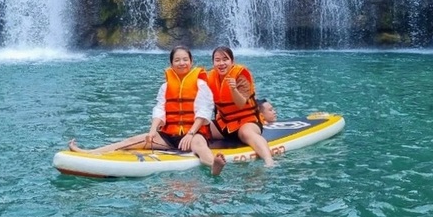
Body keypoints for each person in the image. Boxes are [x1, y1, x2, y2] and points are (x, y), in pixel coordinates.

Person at [69, 46, 226, 175]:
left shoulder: (201, 85)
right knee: (132, 140)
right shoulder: (165, 87)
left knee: (200, 144)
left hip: (192, 134)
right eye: (177, 60)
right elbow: (159, 110)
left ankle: (214, 165)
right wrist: (152, 131)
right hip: (168, 137)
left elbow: (204, 111)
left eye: (185, 59)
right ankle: (90, 153)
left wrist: (191, 133)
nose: (181, 63)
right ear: (171, 64)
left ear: (191, 62)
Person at [207, 46, 277, 167]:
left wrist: (233, 89)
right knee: (201, 127)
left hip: (247, 121)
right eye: (217, 60)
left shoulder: (242, 75)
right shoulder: (210, 77)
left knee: (246, 133)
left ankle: (269, 161)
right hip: (225, 123)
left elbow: (241, 104)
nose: (221, 63)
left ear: (232, 62)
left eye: (225, 59)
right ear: (213, 63)